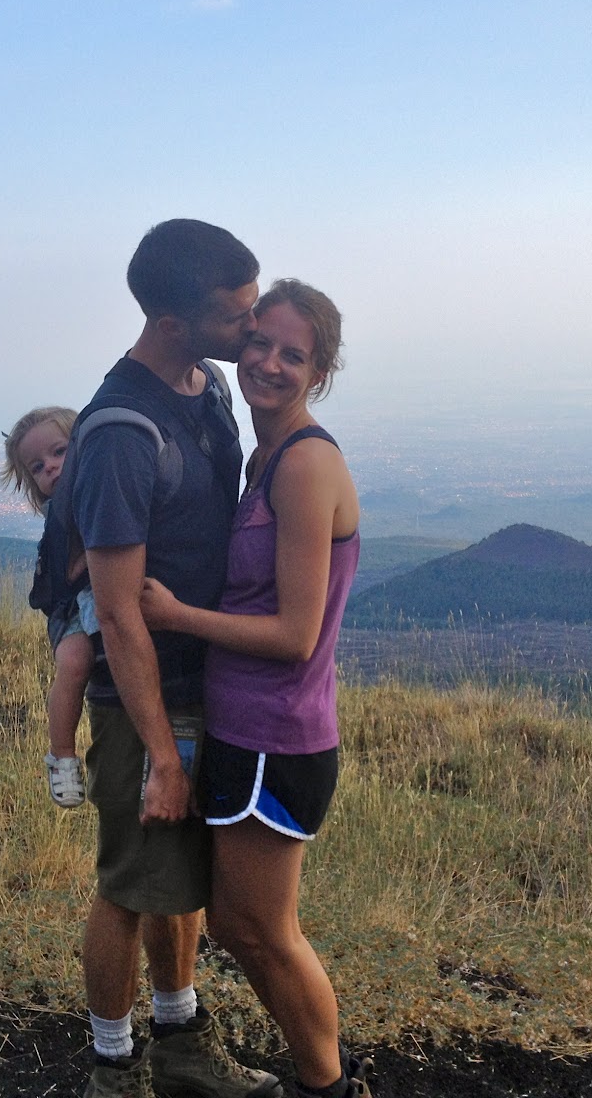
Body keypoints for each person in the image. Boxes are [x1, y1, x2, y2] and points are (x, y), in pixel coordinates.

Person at [65, 219, 282, 1098]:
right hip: (143, 698)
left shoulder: (208, 387)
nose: (253, 326)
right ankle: (113, 1071)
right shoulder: (122, 431)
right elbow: (120, 614)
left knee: (179, 879)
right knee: (129, 882)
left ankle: (183, 1042)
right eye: (236, 315)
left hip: (206, 678)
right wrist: (160, 752)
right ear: (173, 323)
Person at [139, 280, 369, 1098]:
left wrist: (178, 616)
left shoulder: (304, 465)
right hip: (247, 727)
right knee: (239, 926)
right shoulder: (263, 456)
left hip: (279, 735)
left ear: (319, 372)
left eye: (293, 355)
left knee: (265, 933)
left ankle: (328, 1086)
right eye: (260, 343)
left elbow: (294, 635)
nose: (269, 363)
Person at [0, 404, 91, 808]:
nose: (51, 467)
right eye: (37, 467)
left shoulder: (97, 489)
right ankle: (62, 756)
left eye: (59, 451)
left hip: (93, 599)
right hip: (71, 610)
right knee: (74, 660)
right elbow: (69, 569)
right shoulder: (62, 509)